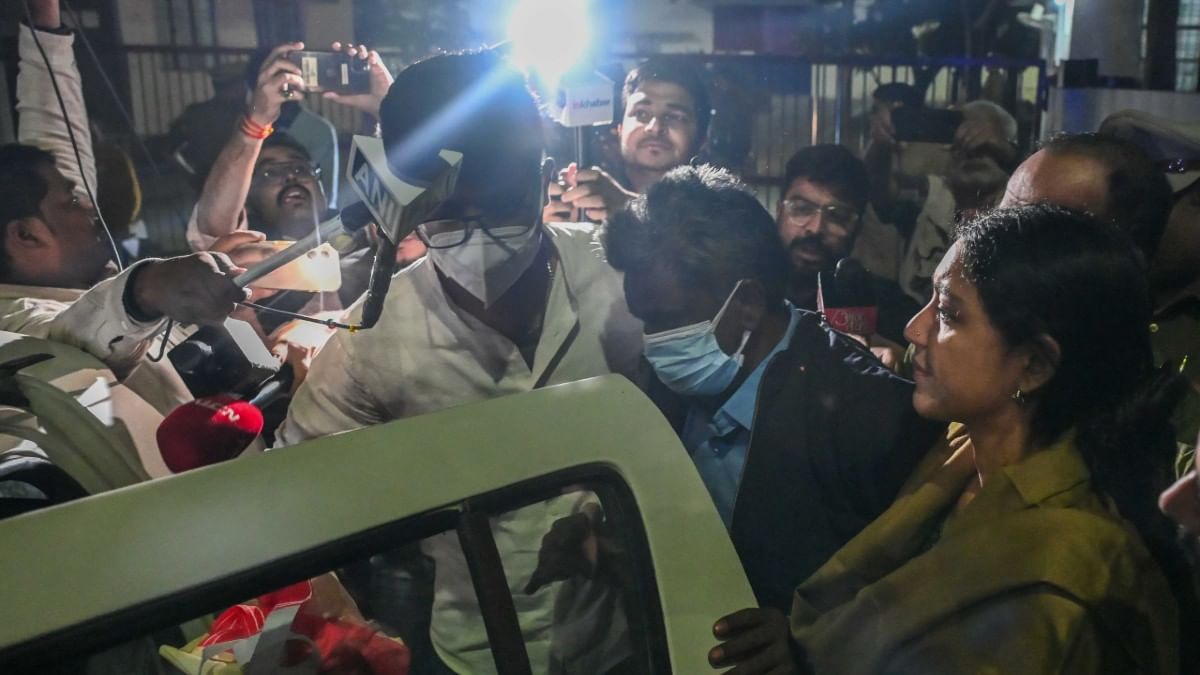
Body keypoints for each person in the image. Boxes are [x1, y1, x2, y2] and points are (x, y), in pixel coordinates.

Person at [276, 49, 644, 674]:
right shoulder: (373, 337)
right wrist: (342, 626)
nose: (473, 233)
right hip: (471, 657)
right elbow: (282, 498)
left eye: (497, 206)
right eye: (447, 211)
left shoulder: (622, 280)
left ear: (542, 176)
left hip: (629, 642)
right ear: (406, 204)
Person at [709, 204, 1196, 674]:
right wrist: (802, 649)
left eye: (948, 314)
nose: (913, 329)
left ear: (1034, 364)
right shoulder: (959, 453)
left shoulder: (1073, 566)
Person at [601, 165, 940, 612]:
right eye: (646, 322)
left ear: (748, 304)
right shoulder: (667, 390)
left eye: (667, 321)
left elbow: (916, 599)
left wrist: (812, 639)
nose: (654, 343)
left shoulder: (872, 419)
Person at [4, 1, 247, 401]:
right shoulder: (13, 325)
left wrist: (45, 26)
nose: (91, 208)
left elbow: (56, 135)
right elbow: (67, 340)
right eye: (72, 202)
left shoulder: (62, 276)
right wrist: (145, 290)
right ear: (26, 236)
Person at [866, 98, 1020, 303]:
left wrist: (1011, 156)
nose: (972, 144)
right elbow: (878, 192)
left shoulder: (1023, 207)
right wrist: (880, 144)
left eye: (988, 140)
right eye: (959, 131)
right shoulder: (934, 197)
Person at [777, 145, 920, 346]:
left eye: (837, 216)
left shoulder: (887, 306)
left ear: (858, 227)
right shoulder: (746, 290)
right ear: (779, 210)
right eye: (801, 209)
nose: (816, 228)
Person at [543, 56, 709, 224]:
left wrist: (627, 208)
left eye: (674, 117)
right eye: (641, 114)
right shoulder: (594, 193)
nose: (655, 126)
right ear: (620, 128)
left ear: (702, 140)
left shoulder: (719, 208)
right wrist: (545, 227)